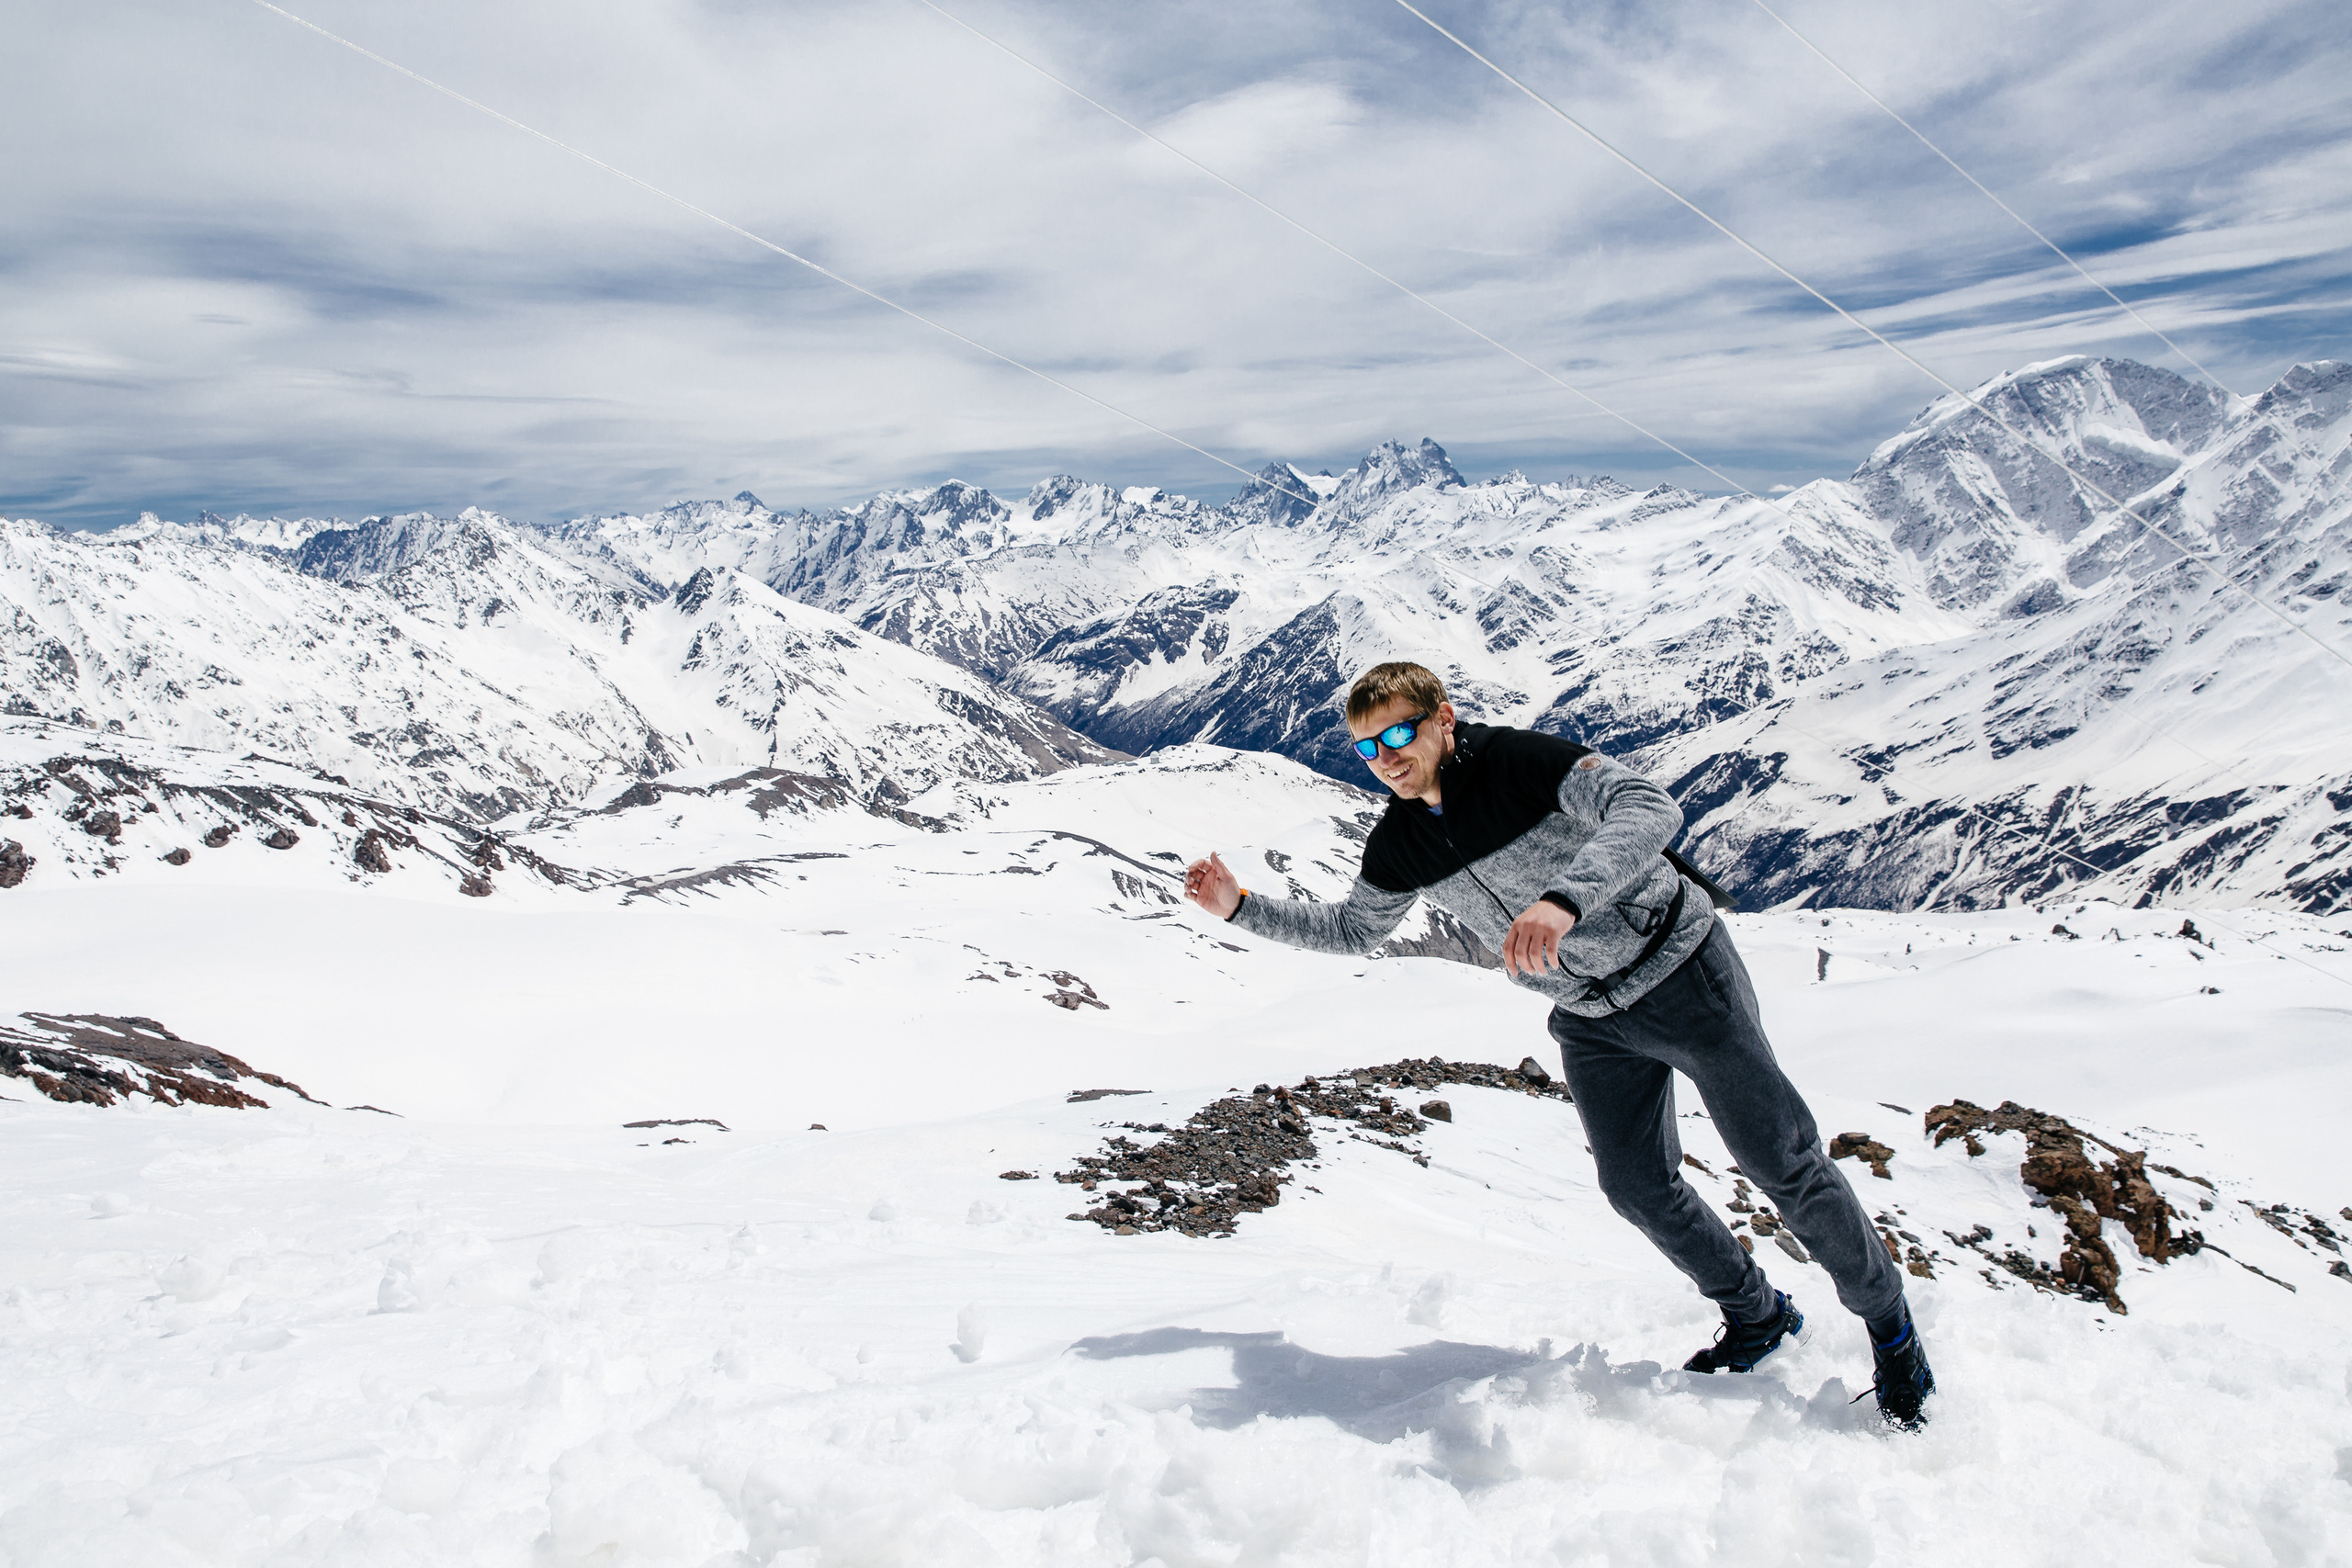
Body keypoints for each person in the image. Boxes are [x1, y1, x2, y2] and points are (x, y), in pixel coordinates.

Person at [1182, 660, 1936, 1429]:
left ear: (1444, 719)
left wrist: (1565, 898)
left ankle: (1892, 1330)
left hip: (1681, 970)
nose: (1387, 757)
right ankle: (1758, 1312)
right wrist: (1238, 905)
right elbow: (1352, 929)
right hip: (1589, 1015)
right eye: (1367, 747)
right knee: (1636, 1185)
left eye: (1399, 733)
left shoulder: (1516, 763)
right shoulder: (1401, 842)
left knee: (1780, 1160)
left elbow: (1648, 806)